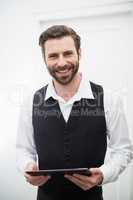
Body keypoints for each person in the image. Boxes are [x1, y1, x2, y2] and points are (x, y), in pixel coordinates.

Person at [16, 25, 133, 200]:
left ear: (79, 52)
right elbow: (23, 150)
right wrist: (28, 166)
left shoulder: (109, 99)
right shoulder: (30, 103)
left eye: (68, 53)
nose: (61, 62)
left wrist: (103, 174)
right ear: (44, 59)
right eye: (53, 56)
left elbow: (123, 150)